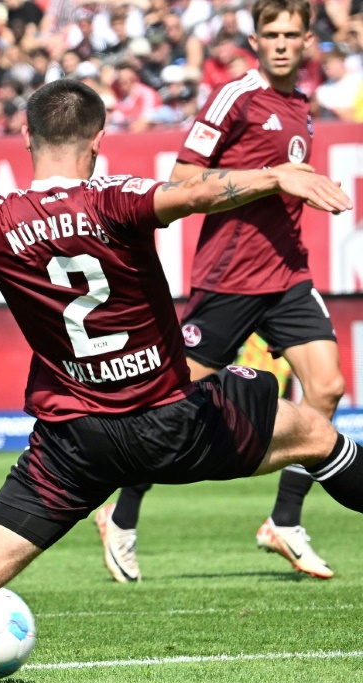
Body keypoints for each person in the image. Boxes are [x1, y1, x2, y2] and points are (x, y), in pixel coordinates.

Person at [0, 77, 356, 683]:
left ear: (27, 136)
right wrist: (275, 176)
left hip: (71, 444)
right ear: (100, 141)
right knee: (313, 431)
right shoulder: (117, 199)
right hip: (170, 421)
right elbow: (197, 193)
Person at [97, 0, 341, 584]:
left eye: (292, 34)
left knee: (327, 388)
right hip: (228, 280)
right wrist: (269, 180)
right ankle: (121, 515)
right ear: (256, 40)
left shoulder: (300, 105)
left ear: (308, 41)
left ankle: (283, 520)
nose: (281, 43)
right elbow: (181, 181)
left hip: (287, 277)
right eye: (270, 33)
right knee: (170, 405)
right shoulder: (236, 97)